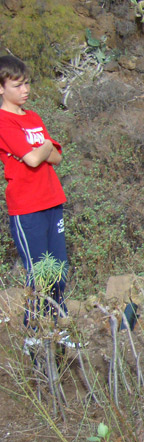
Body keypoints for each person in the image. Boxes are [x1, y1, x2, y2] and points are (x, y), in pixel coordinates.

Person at [0, 55, 68, 325]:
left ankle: (60, 328)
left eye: (27, 83)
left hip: (52, 200)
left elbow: (56, 157)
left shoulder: (33, 117)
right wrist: (45, 146)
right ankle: (34, 335)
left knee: (58, 273)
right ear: (1, 88)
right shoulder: (4, 121)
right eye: (17, 85)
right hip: (27, 207)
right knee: (39, 274)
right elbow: (32, 159)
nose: (25, 90)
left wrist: (42, 150)